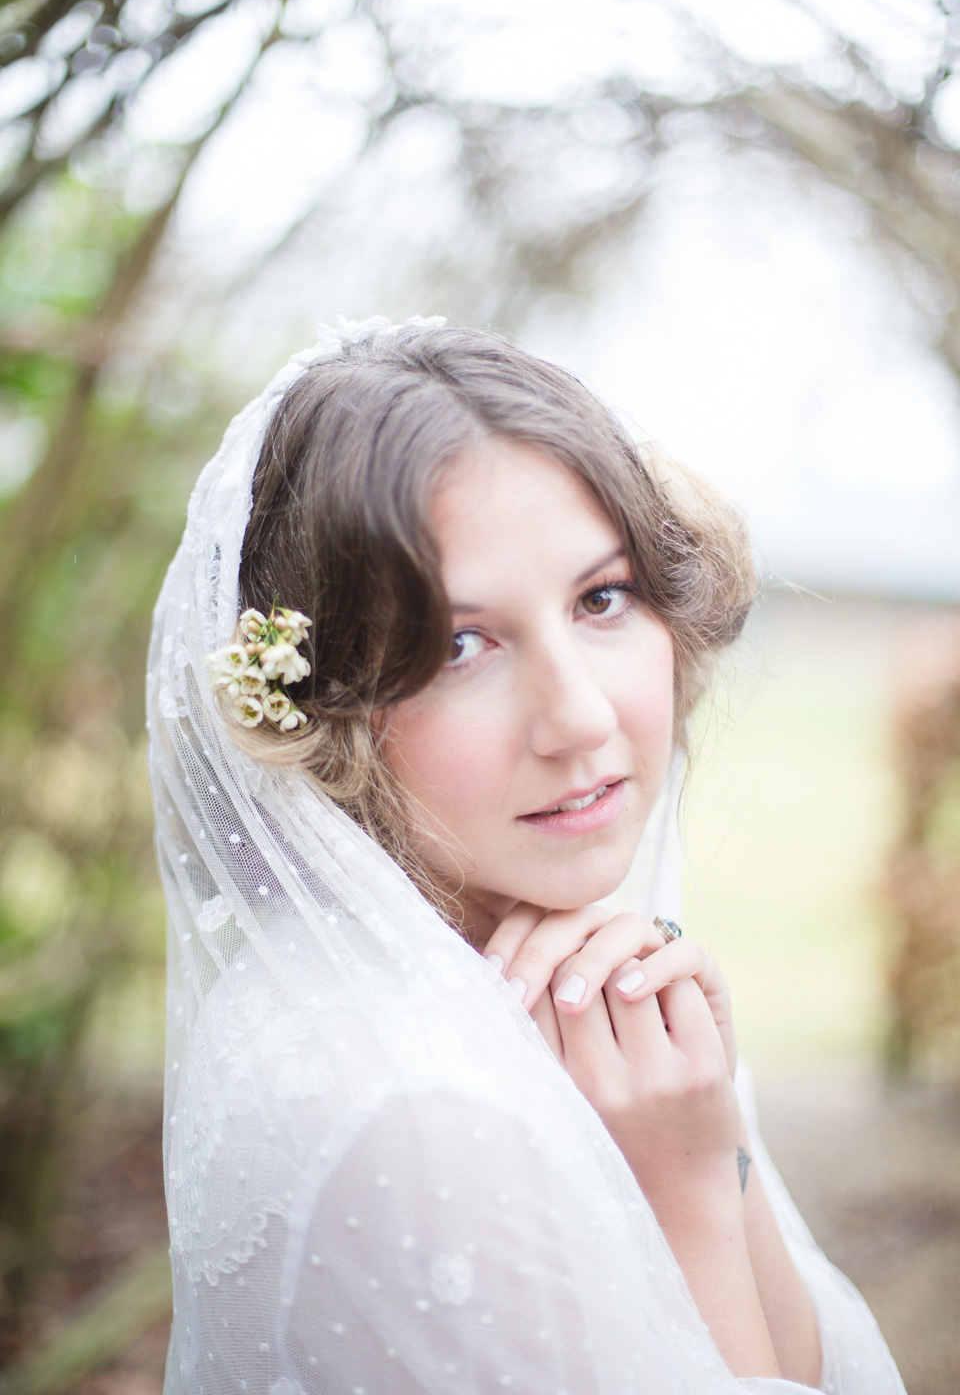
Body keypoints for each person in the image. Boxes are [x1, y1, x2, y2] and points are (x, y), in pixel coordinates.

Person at [147, 316, 906, 1395]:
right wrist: (687, 1194)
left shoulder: (568, 1006)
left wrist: (703, 1128)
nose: (581, 717)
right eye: (460, 646)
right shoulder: (414, 1117)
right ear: (325, 710)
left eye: (603, 599)